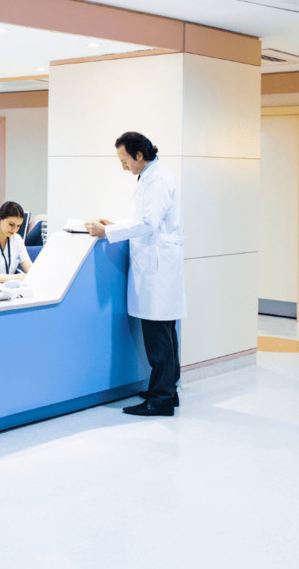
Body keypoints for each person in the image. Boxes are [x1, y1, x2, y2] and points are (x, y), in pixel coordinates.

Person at [85, 131, 186, 417]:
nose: (124, 167)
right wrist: (116, 225)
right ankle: (167, 390)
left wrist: (108, 231)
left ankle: (161, 399)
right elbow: (148, 219)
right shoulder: (153, 175)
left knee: (158, 337)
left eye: (125, 160)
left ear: (139, 155)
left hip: (158, 266)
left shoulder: (157, 179)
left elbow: (148, 223)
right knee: (164, 332)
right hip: (159, 262)